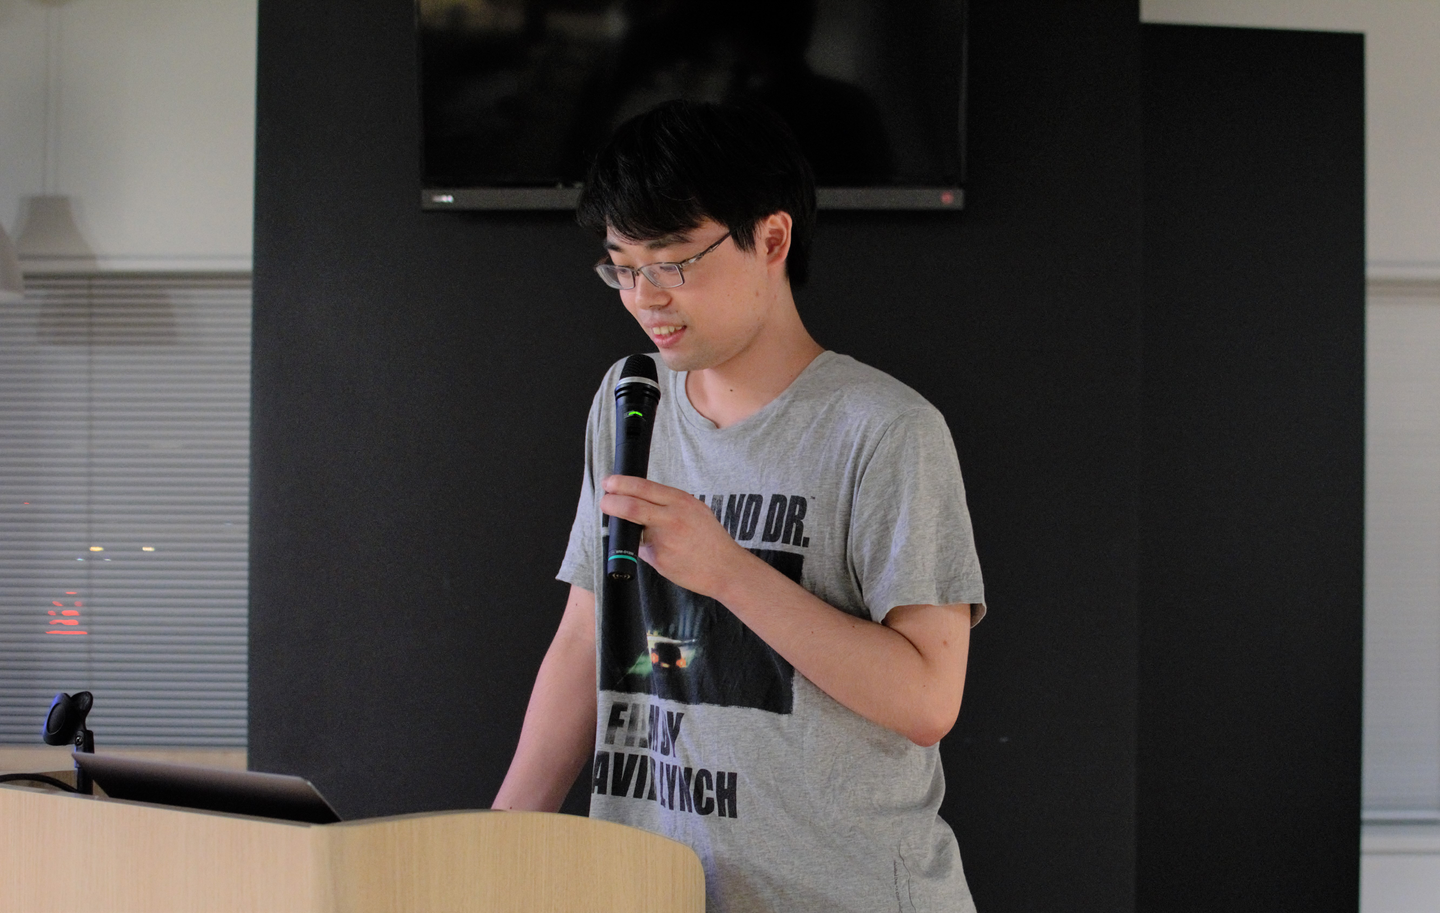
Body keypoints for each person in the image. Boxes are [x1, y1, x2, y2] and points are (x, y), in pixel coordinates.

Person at [493, 100, 986, 913]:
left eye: (671, 263)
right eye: (622, 267)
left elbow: (928, 699)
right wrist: (495, 846)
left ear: (772, 239)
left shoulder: (887, 429)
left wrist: (727, 569)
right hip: (656, 890)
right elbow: (585, 636)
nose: (644, 297)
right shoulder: (628, 401)